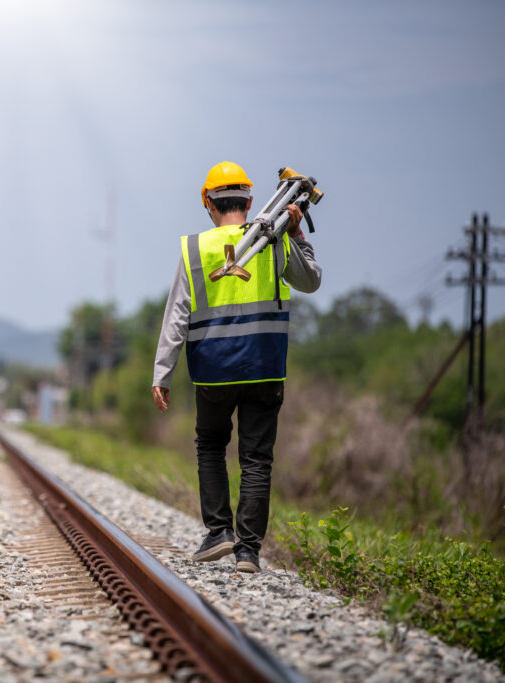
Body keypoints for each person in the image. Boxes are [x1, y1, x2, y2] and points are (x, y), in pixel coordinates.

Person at [151, 161, 321, 573]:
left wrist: (163, 373)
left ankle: (218, 532)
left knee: (210, 446)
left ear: (208, 203)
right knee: (257, 459)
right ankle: (248, 551)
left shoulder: (195, 248)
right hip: (265, 366)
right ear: (248, 199)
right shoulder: (276, 238)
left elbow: (177, 315)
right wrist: (296, 232)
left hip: (213, 369)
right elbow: (311, 280)